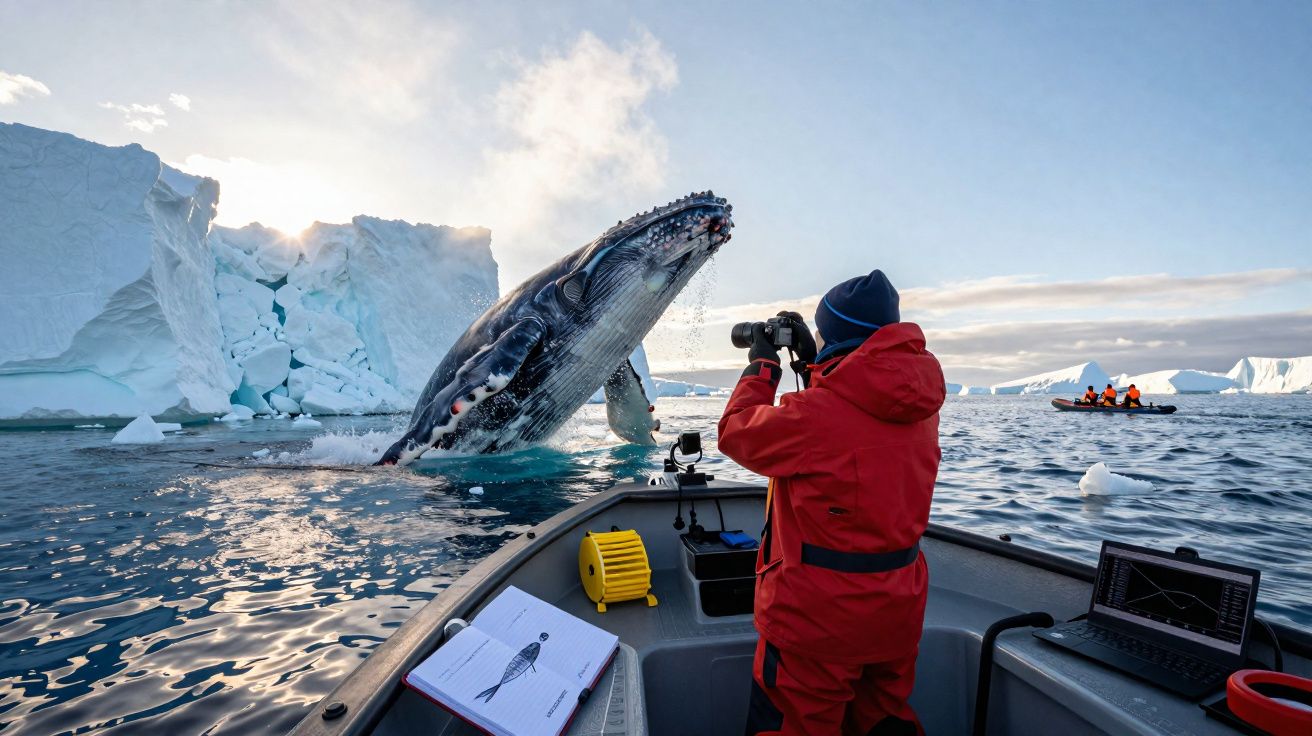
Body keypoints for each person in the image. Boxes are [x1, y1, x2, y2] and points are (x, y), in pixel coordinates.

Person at [719, 269, 944, 736]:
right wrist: (813, 362)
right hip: (896, 612)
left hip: (816, 623)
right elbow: (853, 411)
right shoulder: (922, 408)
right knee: (884, 722)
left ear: (838, 336)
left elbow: (736, 433)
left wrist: (763, 366)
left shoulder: (814, 418)